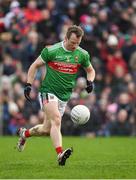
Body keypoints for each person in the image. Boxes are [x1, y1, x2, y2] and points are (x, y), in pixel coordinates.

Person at [16, 25, 95, 166]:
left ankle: (25, 134)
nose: (75, 46)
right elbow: (34, 65)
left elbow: (90, 70)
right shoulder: (51, 51)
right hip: (48, 91)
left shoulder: (82, 54)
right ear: (65, 38)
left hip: (64, 96)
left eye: (78, 43)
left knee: (47, 129)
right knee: (57, 120)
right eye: (72, 43)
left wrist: (90, 81)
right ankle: (60, 154)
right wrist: (28, 84)